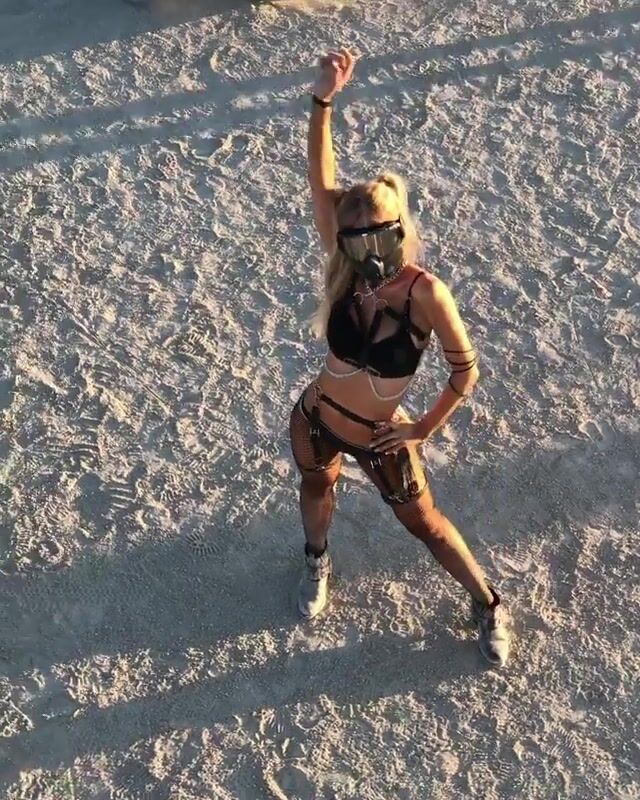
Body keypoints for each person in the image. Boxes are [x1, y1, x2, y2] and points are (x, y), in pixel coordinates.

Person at [290, 48, 511, 666]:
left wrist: (422, 427)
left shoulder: (425, 293)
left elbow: (465, 371)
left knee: (426, 523)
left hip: (381, 434)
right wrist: (322, 101)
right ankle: (316, 560)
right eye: (353, 240)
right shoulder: (344, 266)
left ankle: (488, 602)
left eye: (375, 238)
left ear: (399, 229)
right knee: (315, 485)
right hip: (316, 416)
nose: (364, 252)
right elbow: (319, 177)